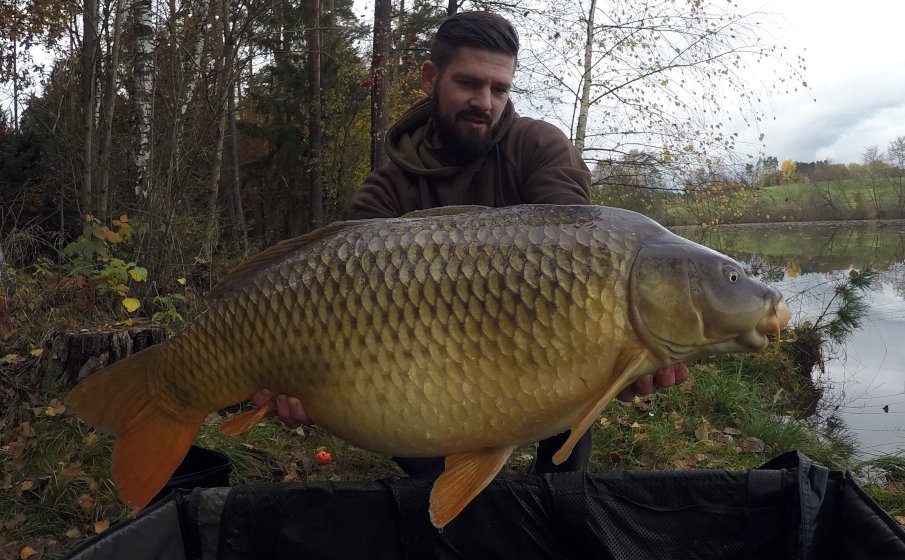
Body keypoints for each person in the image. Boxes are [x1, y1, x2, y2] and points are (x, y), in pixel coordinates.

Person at [254, 10, 687, 477]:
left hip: (538, 344)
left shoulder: (538, 148)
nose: (485, 101)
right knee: (399, 415)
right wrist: (298, 384)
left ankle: (560, 494)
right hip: (425, 360)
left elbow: (584, 250)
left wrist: (631, 350)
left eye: (499, 89)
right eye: (468, 83)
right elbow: (340, 294)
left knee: (575, 352)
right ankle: (438, 494)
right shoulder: (387, 190)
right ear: (430, 78)